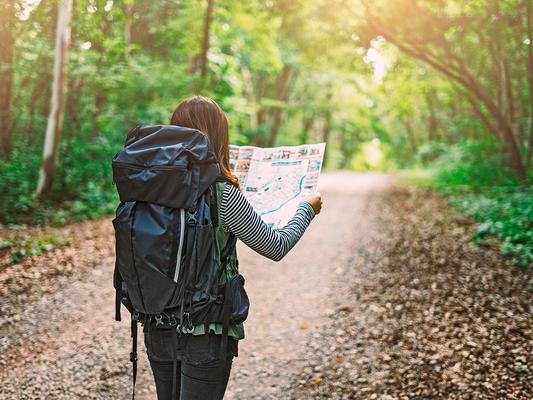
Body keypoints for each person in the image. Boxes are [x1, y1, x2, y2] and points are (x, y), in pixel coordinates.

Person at [143, 95, 323, 400]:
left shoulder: (150, 185)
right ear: (218, 139)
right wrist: (306, 208)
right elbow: (276, 246)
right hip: (205, 330)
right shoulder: (222, 194)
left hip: (157, 326)